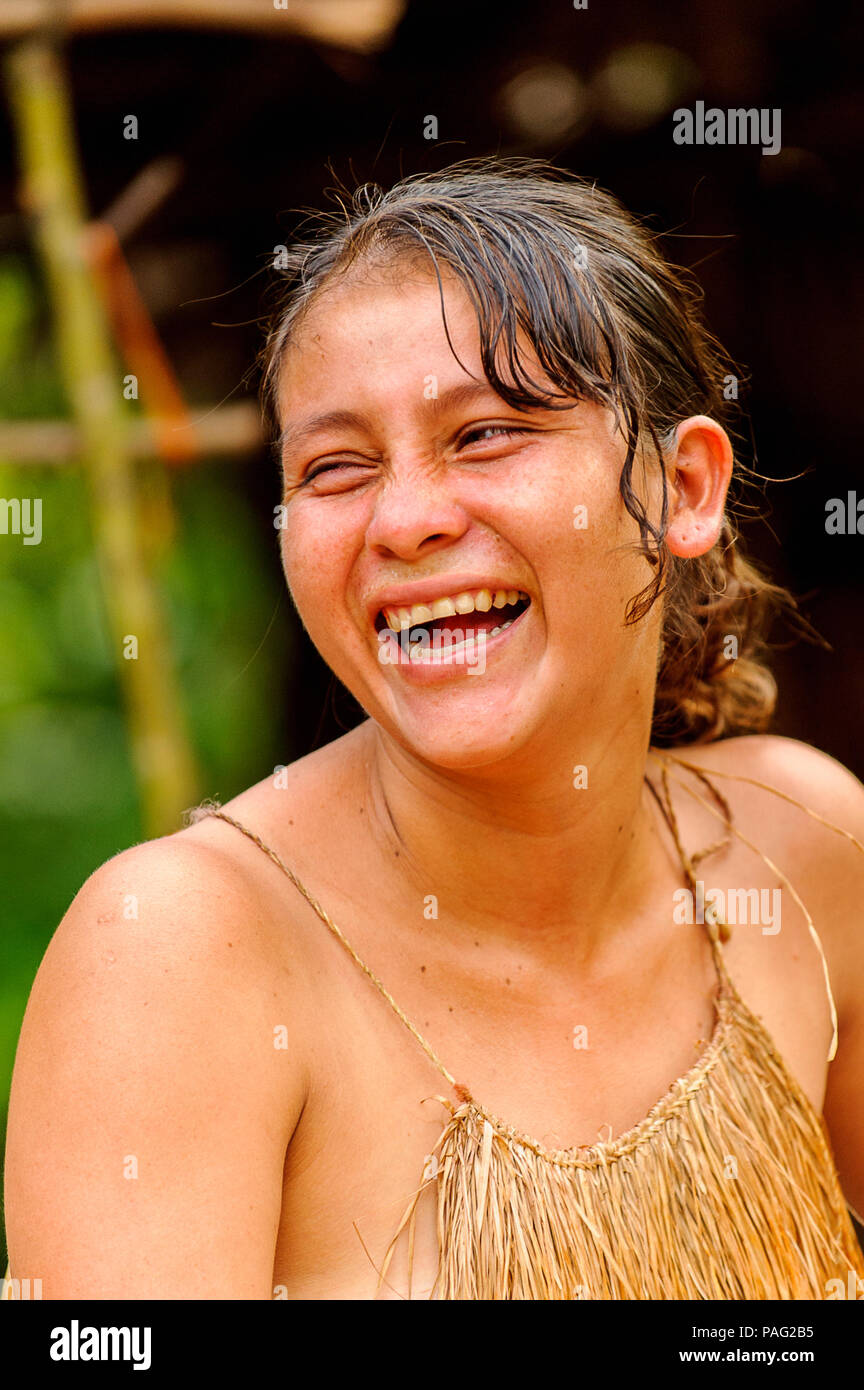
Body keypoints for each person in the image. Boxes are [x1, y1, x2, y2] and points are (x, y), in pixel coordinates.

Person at [4, 159, 864, 1300]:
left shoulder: (801, 846)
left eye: (487, 435)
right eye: (336, 467)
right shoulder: (179, 953)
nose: (405, 520)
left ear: (684, 487)